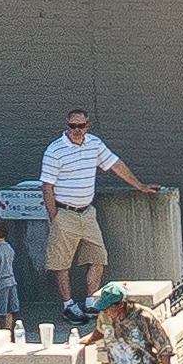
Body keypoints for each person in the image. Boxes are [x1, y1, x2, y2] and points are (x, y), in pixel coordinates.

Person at [39, 111, 158, 321]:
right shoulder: (54, 150)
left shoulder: (94, 143)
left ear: (88, 126)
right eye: (72, 126)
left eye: (81, 126)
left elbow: (115, 164)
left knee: (98, 257)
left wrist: (139, 185)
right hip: (64, 213)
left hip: (87, 212)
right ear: (67, 126)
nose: (76, 130)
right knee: (61, 263)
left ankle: (91, 301)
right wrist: (54, 218)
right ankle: (68, 305)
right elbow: (47, 186)